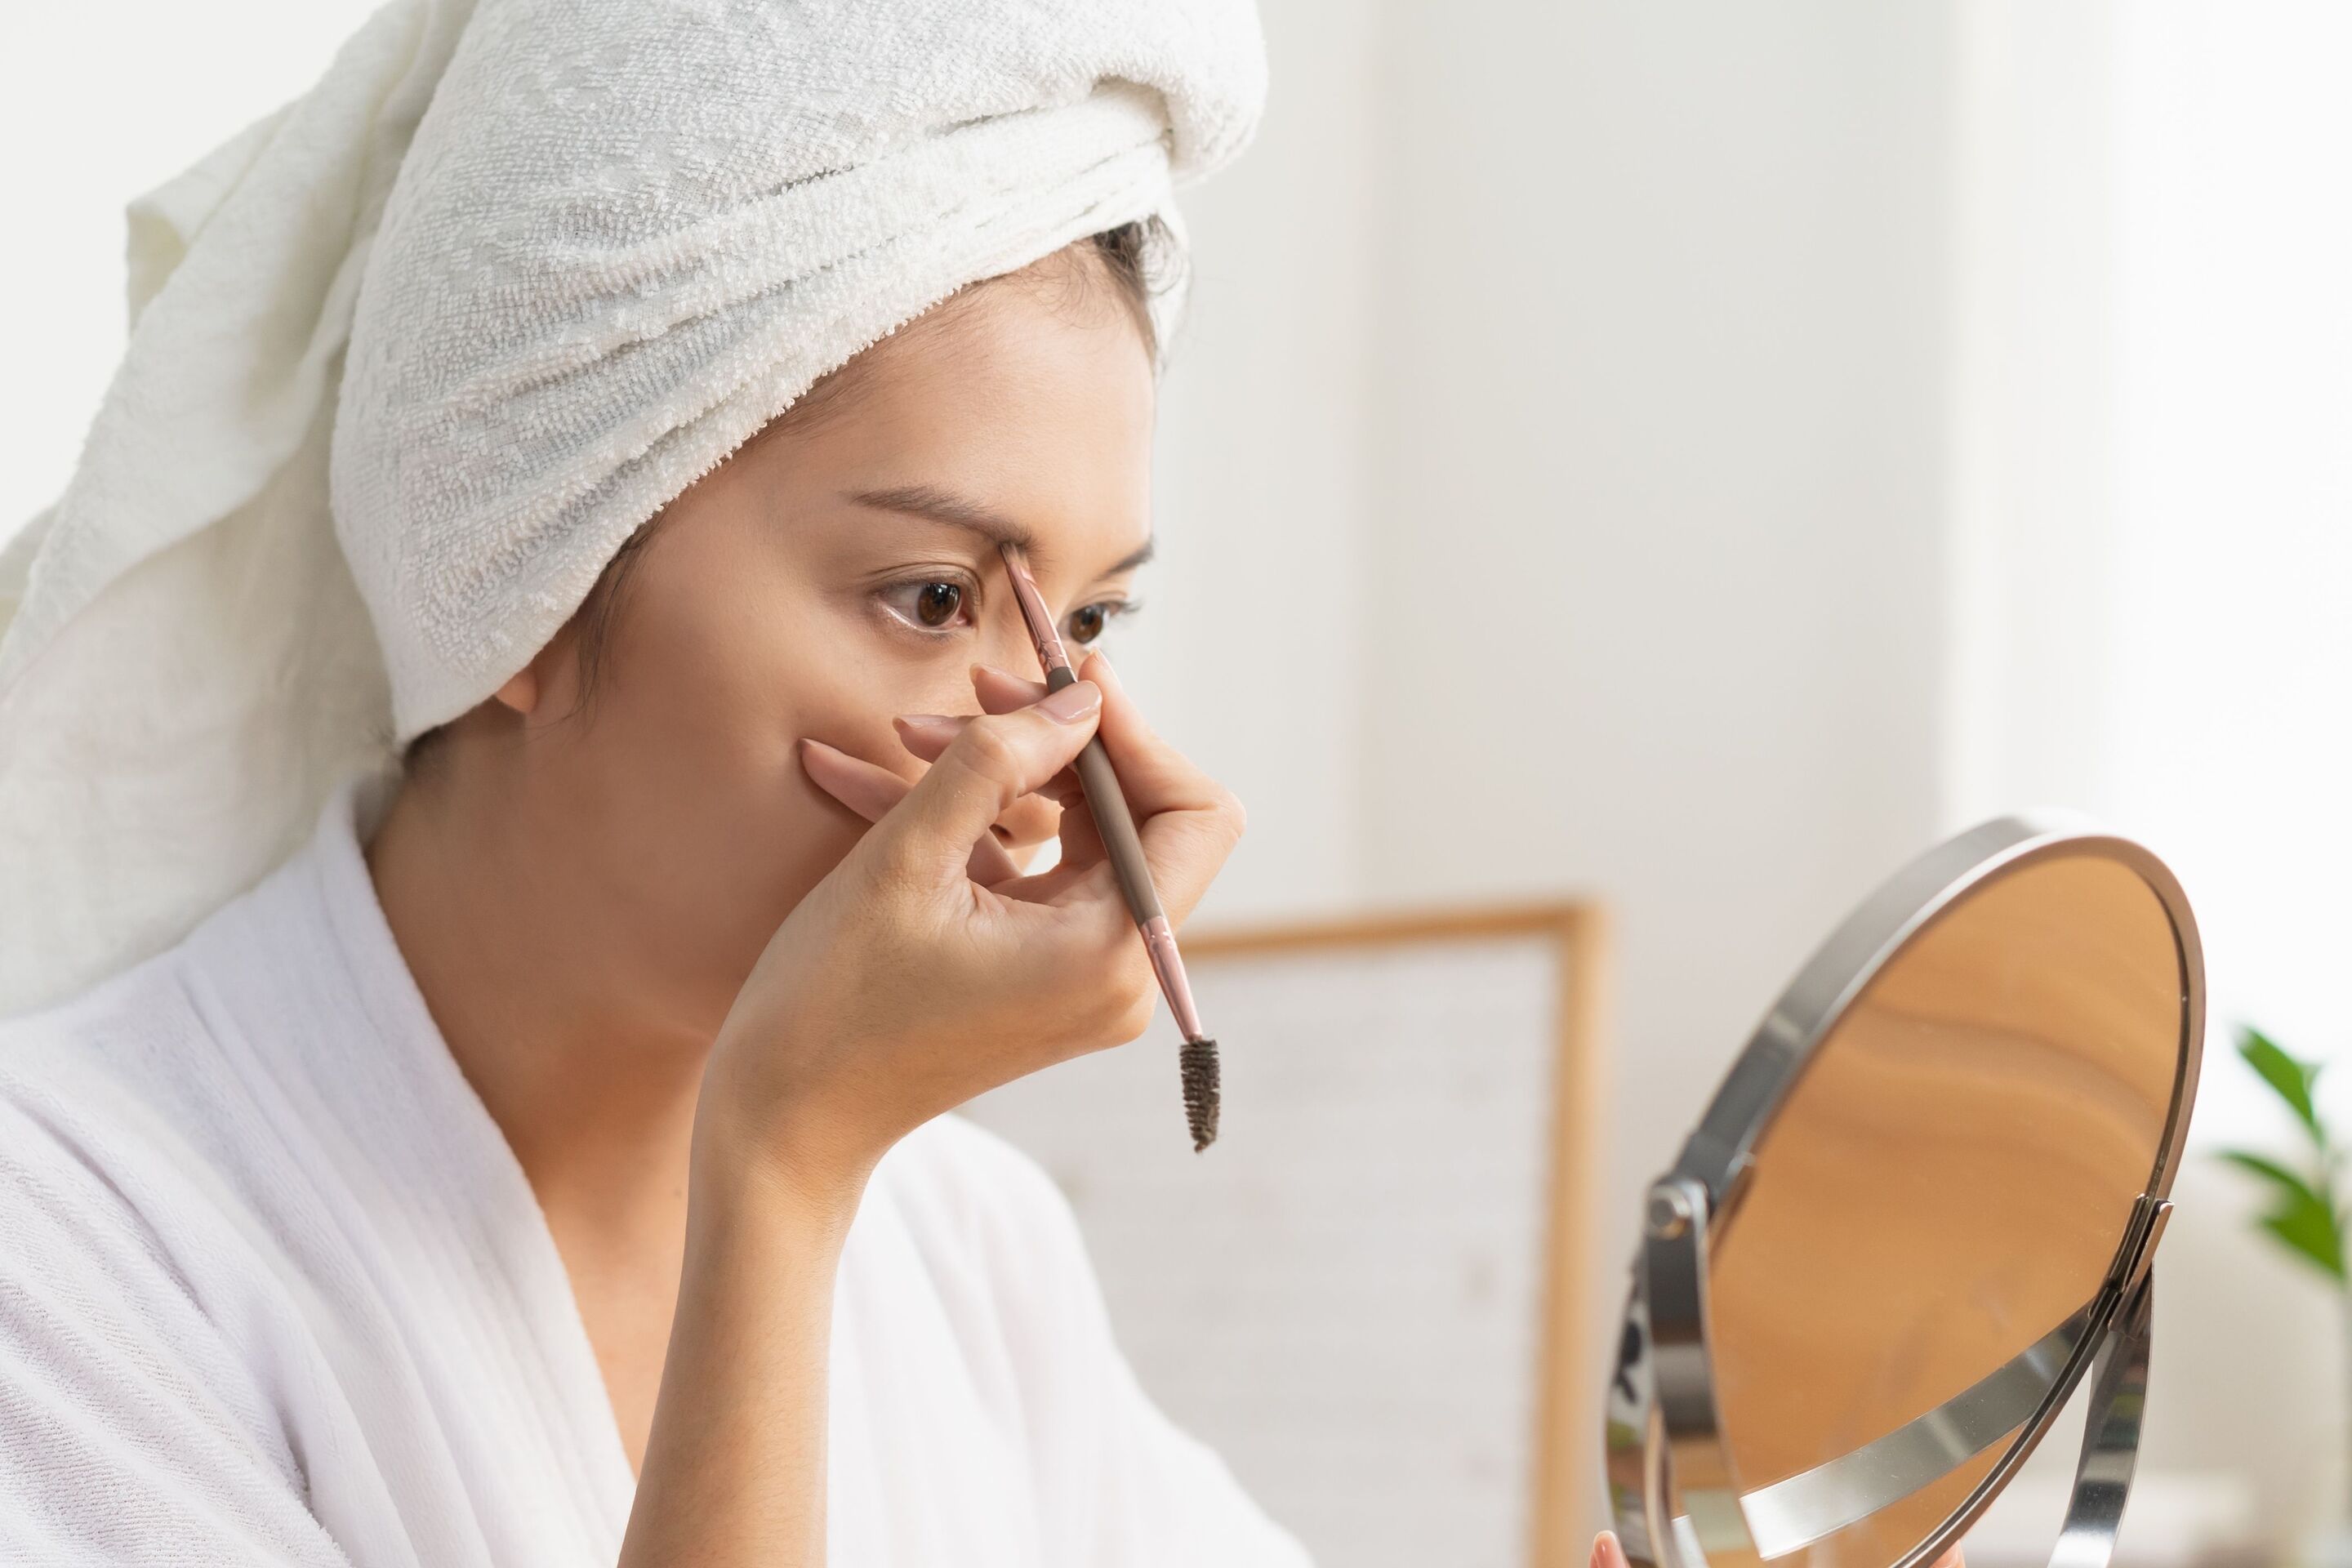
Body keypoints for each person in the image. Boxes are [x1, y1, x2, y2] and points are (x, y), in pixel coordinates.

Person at [0, 0, 1307, 1561]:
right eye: (933, 598)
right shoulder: (65, 1258)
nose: (1040, 755)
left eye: (1085, 624)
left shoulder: (971, 1251)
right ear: (524, 576)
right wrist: (781, 1177)